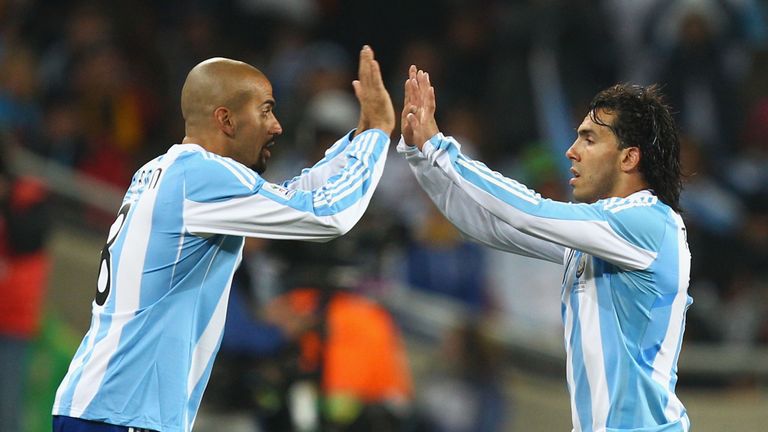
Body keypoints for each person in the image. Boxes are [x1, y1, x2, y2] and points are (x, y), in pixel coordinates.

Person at [51, 45, 395, 432]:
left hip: (104, 406)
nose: (277, 126)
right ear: (226, 120)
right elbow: (327, 214)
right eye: (265, 110)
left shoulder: (165, 171)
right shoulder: (201, 176)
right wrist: (377, 136)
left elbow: (294, 197)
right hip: (123, 413)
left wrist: (359, 139)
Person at [399, 66, 692, 432]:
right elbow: (486, 225)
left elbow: (529, 212)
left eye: (588, 140)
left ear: (629, 158)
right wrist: (419, 154)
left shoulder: (647, 222)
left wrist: (438, 147)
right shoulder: (600, 239)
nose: (571, 151)